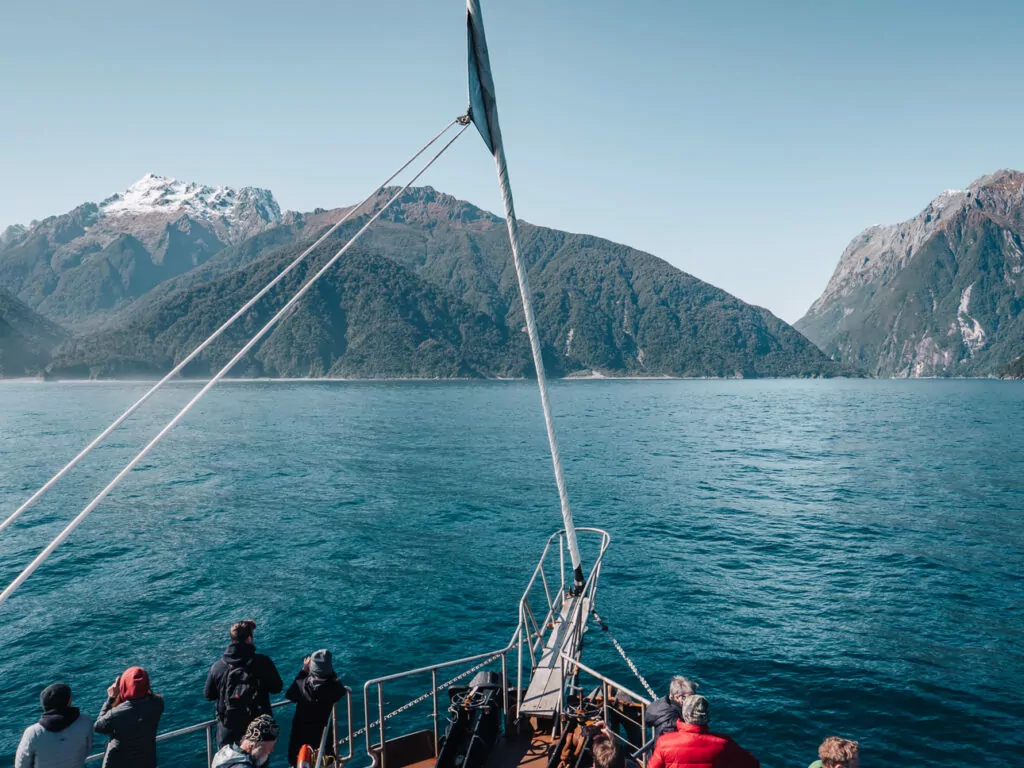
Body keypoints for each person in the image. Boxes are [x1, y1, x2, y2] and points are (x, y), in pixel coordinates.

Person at [204, 619, 283, 748]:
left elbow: (208, 695)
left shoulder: (218, 666)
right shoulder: (262, 662)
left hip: (228, 729)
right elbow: (277, 688)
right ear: (249, 639)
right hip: (257, 730)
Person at [648, 694, 759, 768]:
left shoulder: (665, 742)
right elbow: (752, 764)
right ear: (706, 716)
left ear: (684, 714)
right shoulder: (723, 743)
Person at [284, 649, 347, 766]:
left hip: (300, 736)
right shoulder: (333, 689)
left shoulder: (303, 685)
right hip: (322, 736)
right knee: (326, 759)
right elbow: (341, 690)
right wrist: (328, 670)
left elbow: (290, 695)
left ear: (312, 669)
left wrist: (303, 670)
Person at [94, 666, 164, 768]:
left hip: (118, 763)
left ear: (124, 685)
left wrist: (111, 698)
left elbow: (98, 726)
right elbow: (146, 697)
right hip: (147, 761)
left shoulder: (116, 713)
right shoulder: (158, 703)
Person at [14, 683, 94, 768]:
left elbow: (21, 765)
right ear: (68, 701)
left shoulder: (33, 732)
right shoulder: (85, 722)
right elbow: (87, 750)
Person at [211, 715, 280, 768]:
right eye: (270, 747)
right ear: (255, 745)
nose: (271, 750)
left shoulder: (228, 749)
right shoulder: (242, 766)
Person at [644, 676, 696, 741]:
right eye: (690, 697)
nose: (694, 700)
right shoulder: (670, 725)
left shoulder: (664, 702)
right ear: (677, 697)